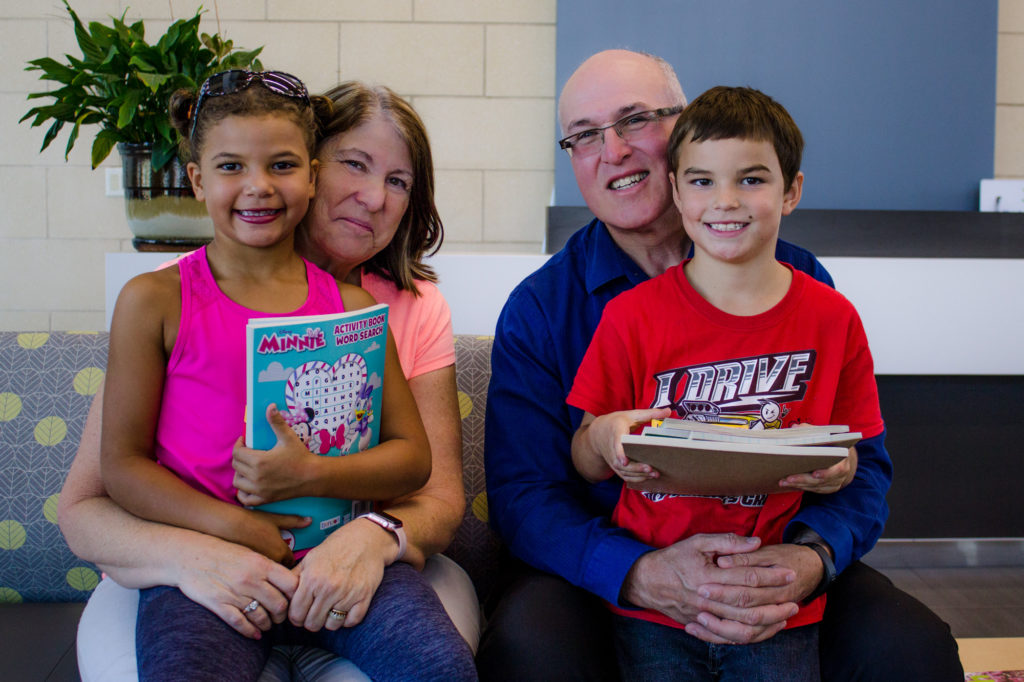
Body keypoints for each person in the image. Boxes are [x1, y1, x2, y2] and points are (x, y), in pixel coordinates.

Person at [478, 49, 963, 681]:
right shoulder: (543, 308)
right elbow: (525, 495)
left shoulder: (803, 285)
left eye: (634, 120)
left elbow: (862, 463)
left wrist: (809, 558)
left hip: (775, 555)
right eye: (586, 136)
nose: (614, 150)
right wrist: (637, 573)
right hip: (609, 575)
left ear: (684, 130)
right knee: (529, 647)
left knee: (912, 647)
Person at [59, 79, 477, 681]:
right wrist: (226, 534)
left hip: (342, 566)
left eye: (397, 181)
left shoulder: (362, 308)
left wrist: (318, 479)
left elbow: (423, 473)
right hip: (202, 574)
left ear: (303, 174)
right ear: (197, 177)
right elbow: (112, 475)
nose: (372, 196)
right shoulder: (160, 297)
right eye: (355, 165)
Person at [567, 85, 885, 681]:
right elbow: (584, 456)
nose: (727, 201)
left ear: (791, 191)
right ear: (677, 191)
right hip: (655, 613)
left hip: (776, 603)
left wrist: (837, 465)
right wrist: (607, 435)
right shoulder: (631, 316)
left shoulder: (831, 317)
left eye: (753, 179)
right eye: (703, 181)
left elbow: (857, 455)